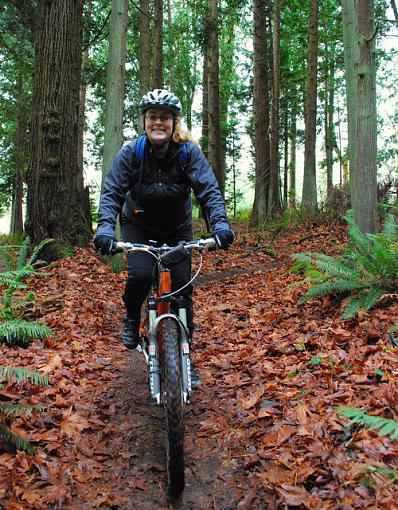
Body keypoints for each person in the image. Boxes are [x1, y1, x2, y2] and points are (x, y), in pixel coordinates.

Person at [94, 88, 234, 385]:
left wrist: (219, 225)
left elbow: (208, 191)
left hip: (177, 229)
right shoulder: (132, 153)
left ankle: (185, 357)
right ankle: (133, 316)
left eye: (165, 118)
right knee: (140, 275)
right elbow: (112, 193)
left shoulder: (188, 153)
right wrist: (106, 229)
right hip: (138, 225)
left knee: (182, 293)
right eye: (153, 117)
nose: (159, 122)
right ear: (144, 122)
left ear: (175, 123)